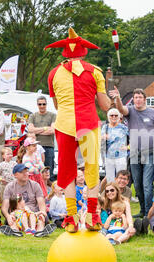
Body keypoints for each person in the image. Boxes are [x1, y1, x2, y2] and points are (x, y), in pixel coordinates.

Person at [46, 27, 111, 233]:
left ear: (65, 51)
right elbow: (105, 106)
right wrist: (112, 95)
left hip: (64, 125)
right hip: (89, 124)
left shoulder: (54, 73)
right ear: (84, 51)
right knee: (92, 168)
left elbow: (56, 105)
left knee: (67, 170)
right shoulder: (96, 72)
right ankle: (92, 216)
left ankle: (71, 217)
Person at [110, 86, 154, 219]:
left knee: (147, 184)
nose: (138, 100)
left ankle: (149, 213)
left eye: (140, 97)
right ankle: (142, 209)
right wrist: (117, 97)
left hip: (150, 153)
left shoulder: (153, 112)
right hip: (134, 153)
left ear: (145, 99)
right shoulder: (131, 111)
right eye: (136, 97)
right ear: (133, 99)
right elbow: (121, 109)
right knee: (138, 185)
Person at [1, 164, 56, 237]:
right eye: (22, 172)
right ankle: (15, 231)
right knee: (12, 218)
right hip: (18, 214)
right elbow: (4, 207)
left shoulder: (35, 185)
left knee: (41, 218)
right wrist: (8, 217)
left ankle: (40, 231)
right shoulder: (10, 187)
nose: (26, 174)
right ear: (15, 175)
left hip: (33, 213)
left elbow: (42, 204)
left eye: (26, 171)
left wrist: (42, 214)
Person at [27, 96, 56, 181]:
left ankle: (48, 190)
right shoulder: (33, 115)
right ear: (37, 105)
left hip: (49, 147)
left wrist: (37, 130)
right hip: (35, 147)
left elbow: (53, 130)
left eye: (44, 104)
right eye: (40, 104)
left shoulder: (52, 115)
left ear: (46, 104)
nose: (42, 106)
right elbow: (30, 129)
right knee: (36, 172)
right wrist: (45, 128)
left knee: (48, 171)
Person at [101, 108, 129, 183]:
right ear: (108, 117)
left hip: (121, 156)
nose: (114, 117)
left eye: (116, 115)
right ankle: (112, 194)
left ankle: (121, 193)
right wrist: (103, 137)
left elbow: (134, 138)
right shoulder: (105, 127)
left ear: (119, 117)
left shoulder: (123, 127)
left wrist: (128, 147)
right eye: (111, 115)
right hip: (108, 157)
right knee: (110, 179)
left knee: (121, 178)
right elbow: (101, 138)